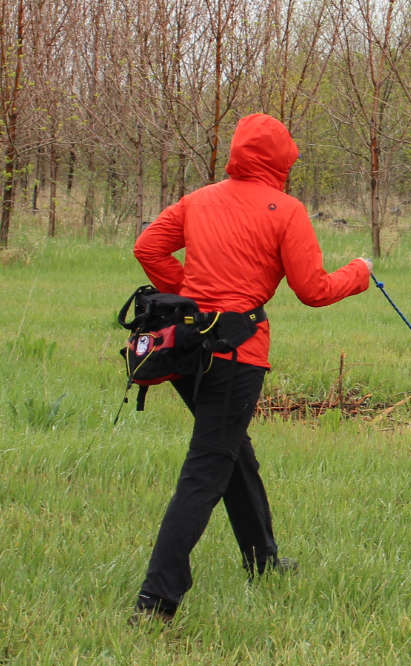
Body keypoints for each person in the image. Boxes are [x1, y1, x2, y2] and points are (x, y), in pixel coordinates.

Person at [129, 112, 372, 624]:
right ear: (282, 160)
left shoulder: (199, 199)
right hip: (237, 360)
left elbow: (147, 246)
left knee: (234, 454)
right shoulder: (285, 210)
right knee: (206, 471)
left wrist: (193, 300)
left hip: (187, 354)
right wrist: (360, 273)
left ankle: (263, 561)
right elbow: (314, 290)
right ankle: (156, 600)